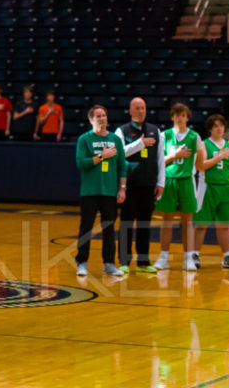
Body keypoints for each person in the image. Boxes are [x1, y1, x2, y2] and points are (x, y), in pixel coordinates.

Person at [75, 105, 127, 276]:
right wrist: (101, 157)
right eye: (98, 116)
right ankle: (82, 262)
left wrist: (122, 189)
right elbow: (81, 163)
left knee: (109, 228)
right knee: (86, 228)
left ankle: (109, 264)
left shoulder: (116, 139)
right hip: (89, 191)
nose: (102, 119)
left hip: (110, 192)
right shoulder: (84, 139)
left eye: (104, 115)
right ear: (91, 120)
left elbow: (122, 167)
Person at [153, 103, 205, 272]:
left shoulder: (194, 136)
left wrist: (191, 170)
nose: (180, 118)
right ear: (172, 117)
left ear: (187, 117)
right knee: (167, 220)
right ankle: (163, 257)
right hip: (169, 180)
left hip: (187, 180)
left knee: (187, 220)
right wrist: (175, 155)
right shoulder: (165, 135)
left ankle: (188, 257)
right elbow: (160, 160)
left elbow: (200, 161)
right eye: (177, 115)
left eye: (183, 115)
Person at [115, 97, 164, 273]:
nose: (140, 111)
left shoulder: (155, 131)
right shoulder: (122, 131)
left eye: (143, 108)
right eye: (137, 108)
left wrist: (160, 183)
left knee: (145, 224)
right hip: (129, 186)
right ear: (130, 110)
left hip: (148, 185)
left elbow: (161, 160)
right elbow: (120, 155)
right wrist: (140, 144)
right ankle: (124, 262)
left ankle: (143, 262)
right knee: (126, 223)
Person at [193, 115, 229, 269]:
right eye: (216, 126)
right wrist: (219, 157)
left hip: (226, 188)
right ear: (210, 129)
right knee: (201, 224)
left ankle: (228, 257)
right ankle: (193, 254)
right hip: (207, 187)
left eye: (221, 126)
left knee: (224, 226)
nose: (219, 128)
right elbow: (201, 166)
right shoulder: (204, 145)